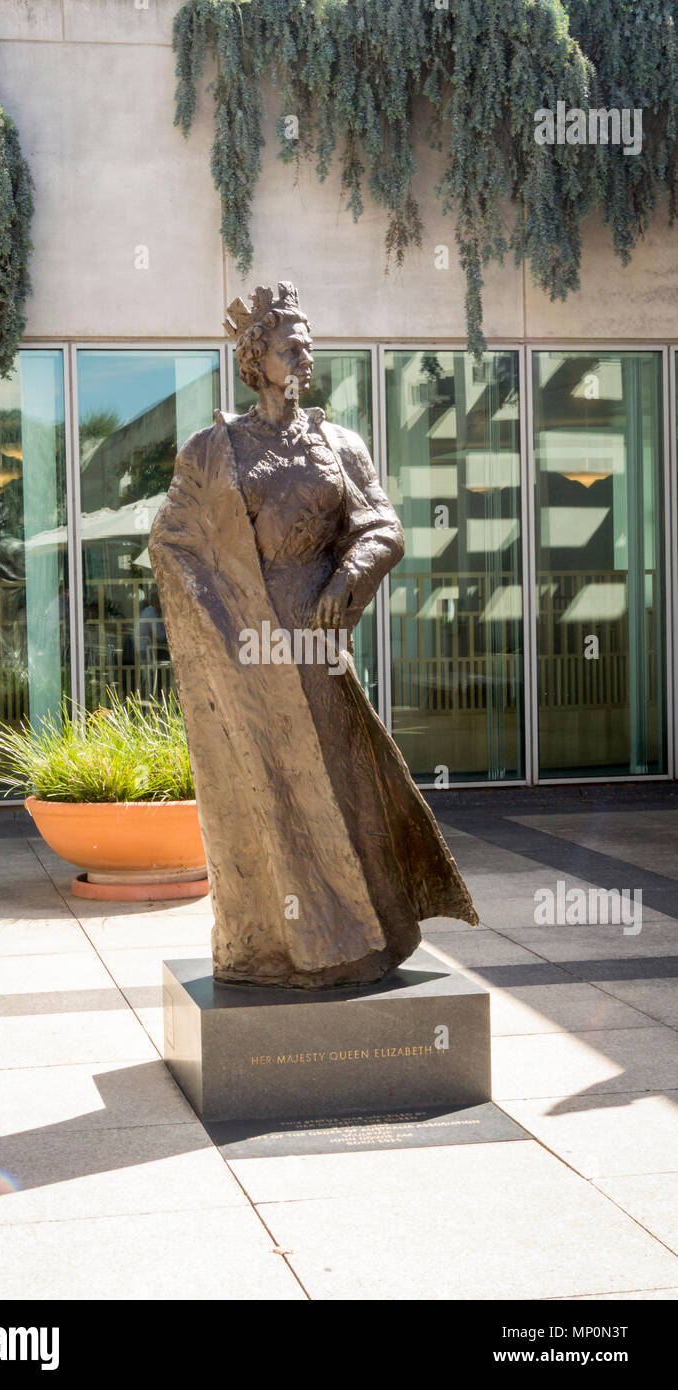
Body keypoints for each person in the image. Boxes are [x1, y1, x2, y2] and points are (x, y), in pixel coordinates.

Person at [150, 283, 477, 989]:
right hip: (250, 649)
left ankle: (365, 937)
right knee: (267, 789)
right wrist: (226, 621)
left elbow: (382, 527)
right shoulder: (213, 449)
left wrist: (346, 578)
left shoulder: (340, 442)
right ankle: (282, 945)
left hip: (319, 639)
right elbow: (172, 543)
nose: (304, 355)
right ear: (255, 356)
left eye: (307, 344)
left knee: (343, 782)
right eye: (289, 345)